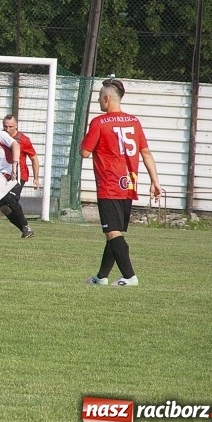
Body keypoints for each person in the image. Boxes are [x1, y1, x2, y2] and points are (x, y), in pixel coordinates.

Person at [81, 78, 160, 287]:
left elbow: (85, 152)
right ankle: (101, 277)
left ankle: (129, 276)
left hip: (109, 185)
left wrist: (86, 138)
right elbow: (146, 152)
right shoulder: (134, 122)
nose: (98, 100)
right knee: (114, 231)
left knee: (112, 232)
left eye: (99, 97)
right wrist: (155, 181)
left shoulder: (99, 122)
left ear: (107, 98)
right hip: (129, 185)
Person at [0, 114, 40, 238]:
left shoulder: (21, 139)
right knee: (3, 207)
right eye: (5, 126)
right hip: (6, 173)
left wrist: (36, 178)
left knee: (9, 199)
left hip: (18, 174)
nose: (7, 129)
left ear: (16, 126)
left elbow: (34, 158)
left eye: (10, 127)